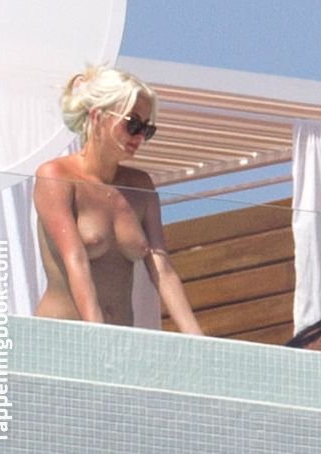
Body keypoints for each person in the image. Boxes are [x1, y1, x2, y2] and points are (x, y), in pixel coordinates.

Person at [33, 65, 202, 335]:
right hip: (59, 336)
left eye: (147, 129)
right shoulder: (56, 176)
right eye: (132, 124)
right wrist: (98, 334)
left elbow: (163, 270)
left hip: (119, 338)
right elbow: (75, 260)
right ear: (97, 116)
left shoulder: (141, 186)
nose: (139, 136)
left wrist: (199, 341)